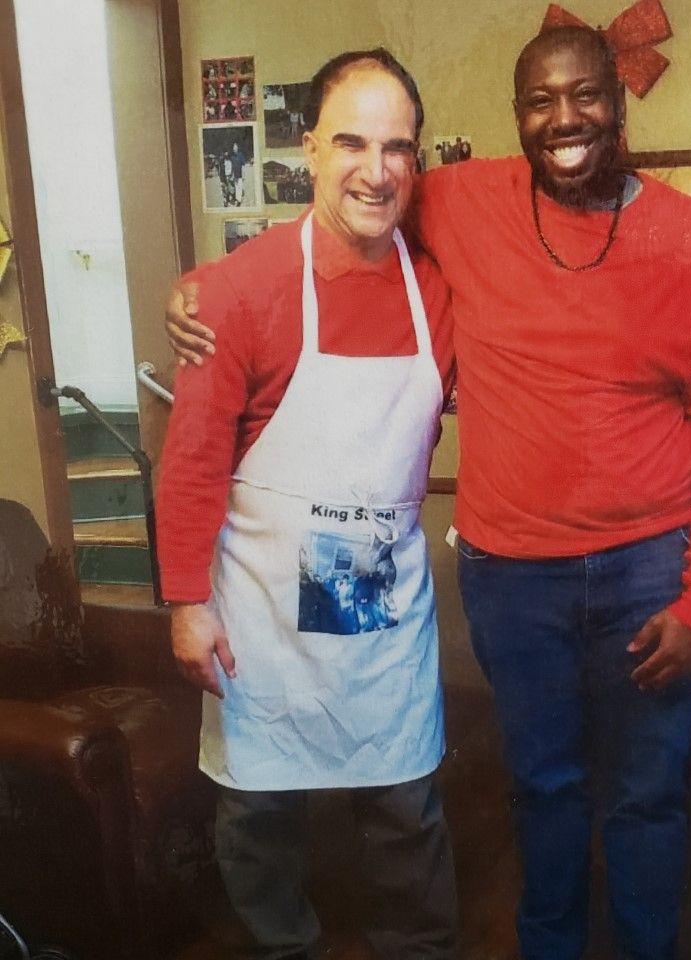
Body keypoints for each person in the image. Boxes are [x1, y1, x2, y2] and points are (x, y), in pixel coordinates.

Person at [166, 25, 691, 960]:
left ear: (621, 97)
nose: (565, 119)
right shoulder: (446, 209)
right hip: (468, 577)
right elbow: (206, 434)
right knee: (519, 787)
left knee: (611, 794)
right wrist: (203, 288)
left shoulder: (686, 244)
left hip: (617, 569)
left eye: (586, 95)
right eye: (540, 100)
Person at [157, 49, 458, 960]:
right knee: (259, 807)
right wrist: (185, 603)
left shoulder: (440, 291)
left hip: (376, 576)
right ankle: (282, 945)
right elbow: (194, 461)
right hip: (257, 591)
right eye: (353, 143)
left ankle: (417, 947)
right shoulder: (237, 290)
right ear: (310, 147)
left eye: (398, 147)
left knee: (405, 799)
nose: (377, 170)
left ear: (418, 159)